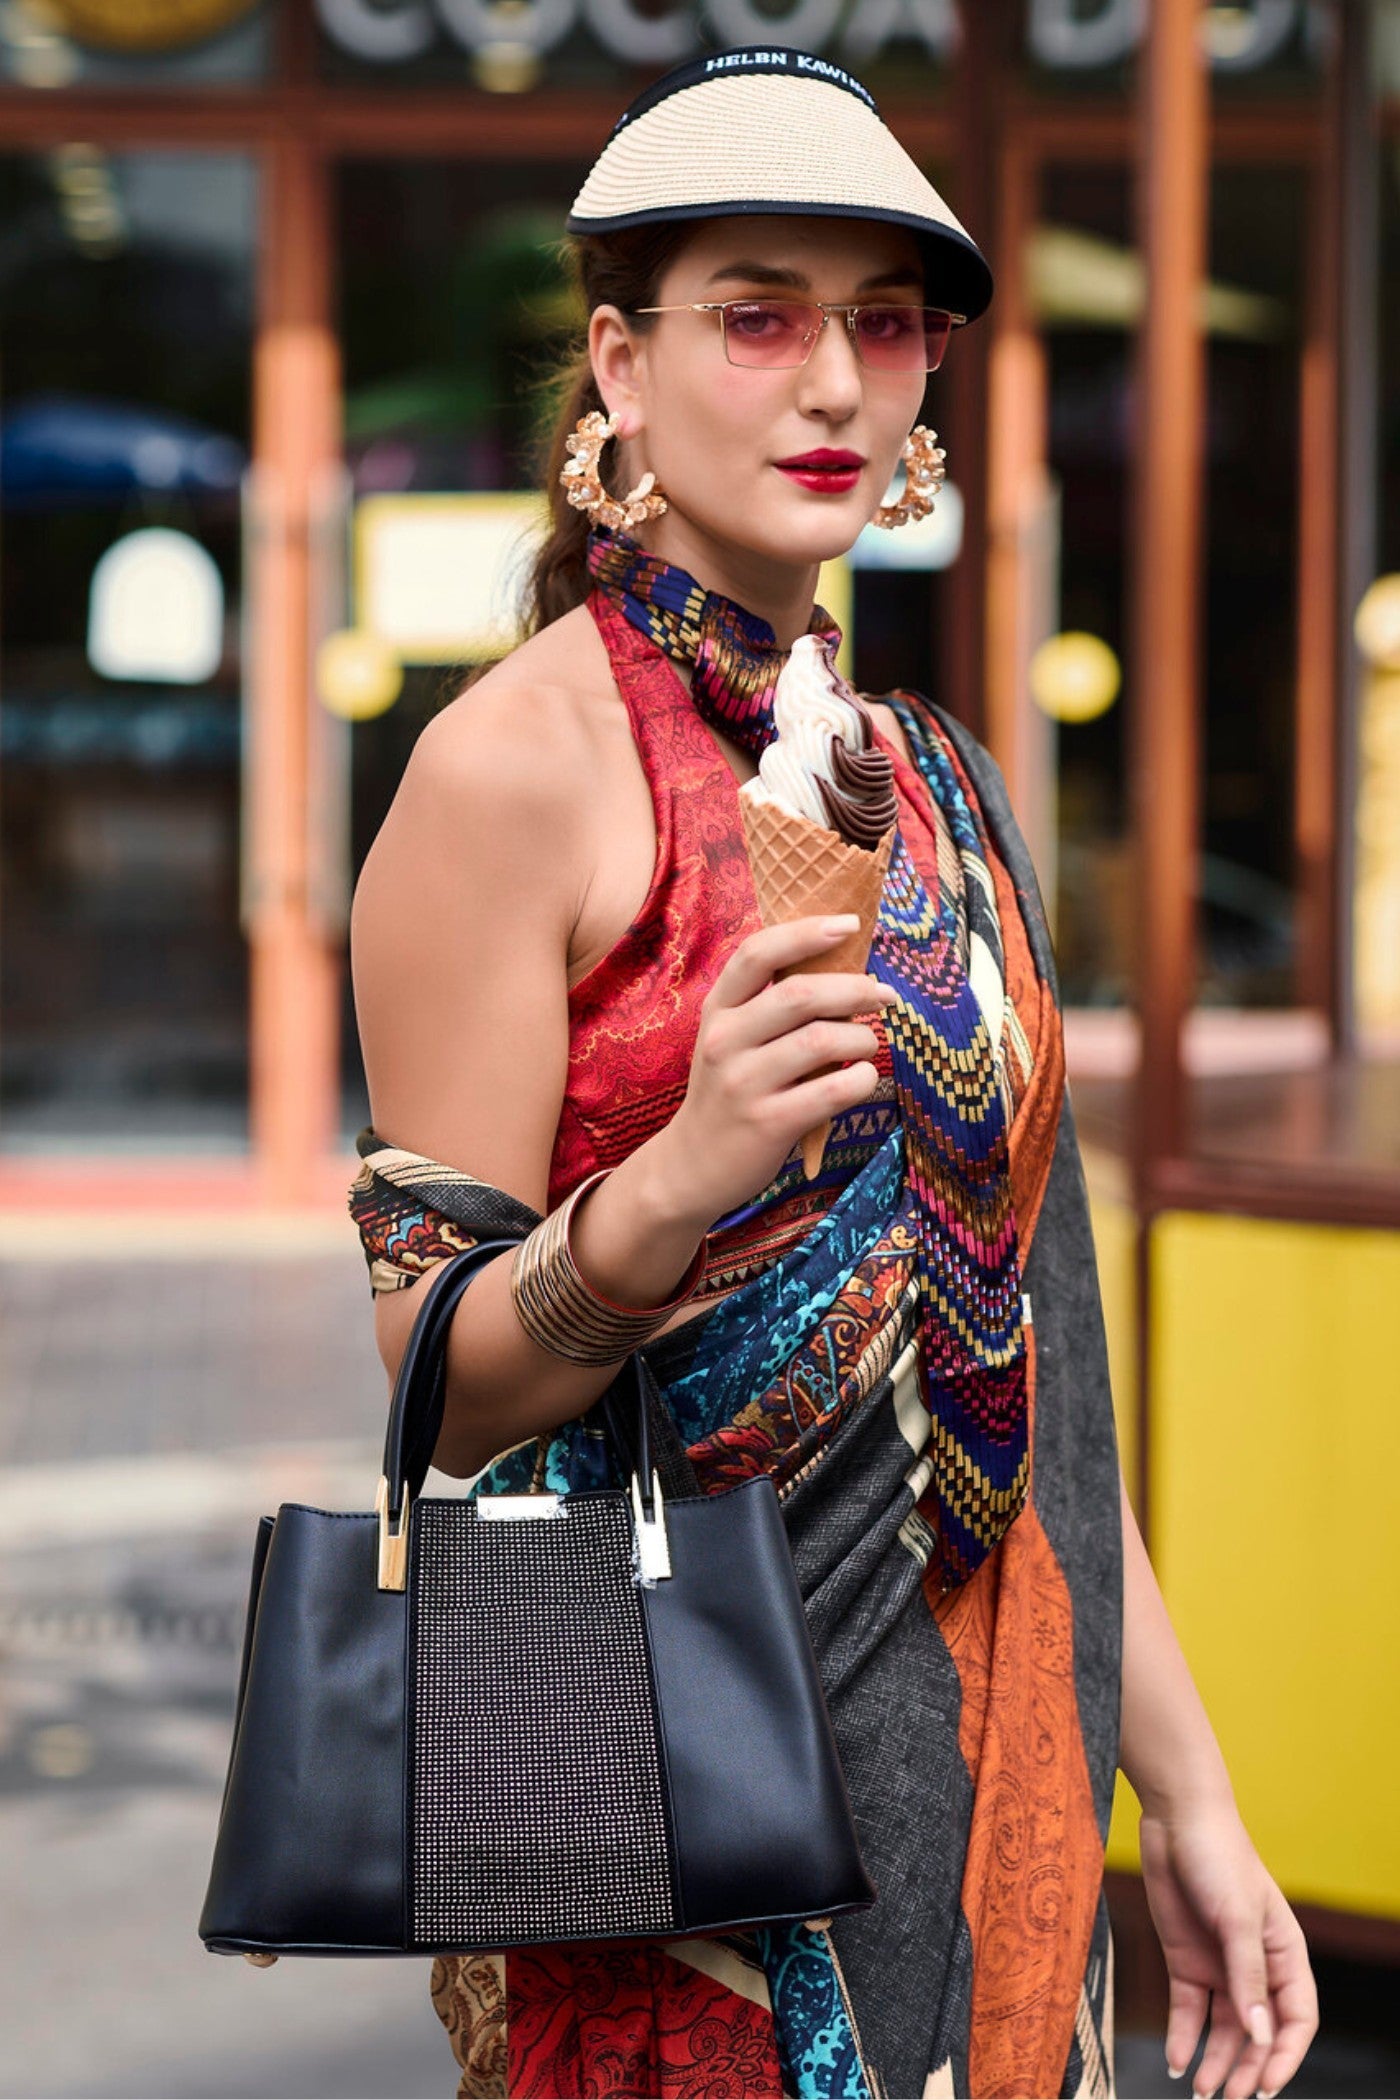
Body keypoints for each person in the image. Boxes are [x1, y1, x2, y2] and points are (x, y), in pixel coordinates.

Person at [346, 46, 1318, 2100]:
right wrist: (681, 1174)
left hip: (1000, 1809)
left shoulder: (939, 786)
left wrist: (1201, 1810)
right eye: (757, 313)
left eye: (884, 324)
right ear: (619, 365)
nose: (830, 384)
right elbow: (434, 1378)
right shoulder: (509, 773)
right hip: (674, 1830)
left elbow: (1033, 1382)